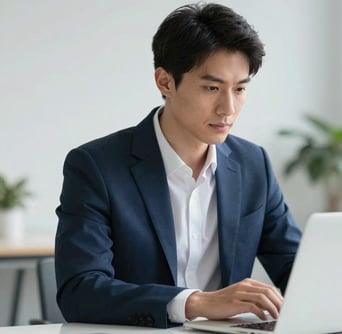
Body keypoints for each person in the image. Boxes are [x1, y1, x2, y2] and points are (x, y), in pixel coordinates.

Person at [55, 2, 302, 329]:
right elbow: (79, 291)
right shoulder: (96, 166)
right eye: (212, 88)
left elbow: (296, 267)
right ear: (165, 82)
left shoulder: (252, 163)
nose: (228, 108)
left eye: (240, 89)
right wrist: (195, 302)